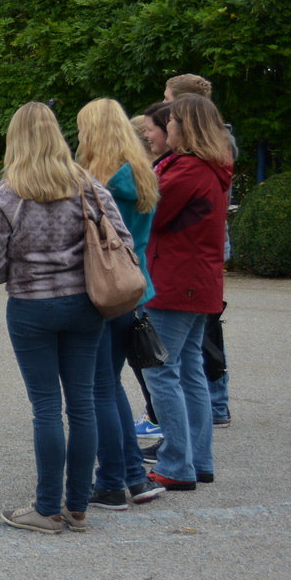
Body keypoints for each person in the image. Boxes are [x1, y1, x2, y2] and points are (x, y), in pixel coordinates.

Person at [0, 101, 132, 535]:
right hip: (86, 305)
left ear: (15, 140)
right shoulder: (87, 186)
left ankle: (46, 509)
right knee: (81, 405)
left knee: (46, 406)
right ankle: (78, 507)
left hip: (30, 308)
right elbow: (121, 240)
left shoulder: (7, 193)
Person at [74, 100, 166, 511]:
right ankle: (132, 475)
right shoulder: (142, 174)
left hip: (103, 289)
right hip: (132, 287)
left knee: (98, 389)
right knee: (109, 386)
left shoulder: (101, 183)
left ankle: (112, 480)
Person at [140, 94, 233, 491]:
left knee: (161, 370)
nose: (167, 126)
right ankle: (197, 460)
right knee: (190, 371)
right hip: (198, 283)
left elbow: (150, 210)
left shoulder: (188, 169)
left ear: (185, 126)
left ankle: (177, 464)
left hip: (177, 283)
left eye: (172, 120)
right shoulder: (211, 167)